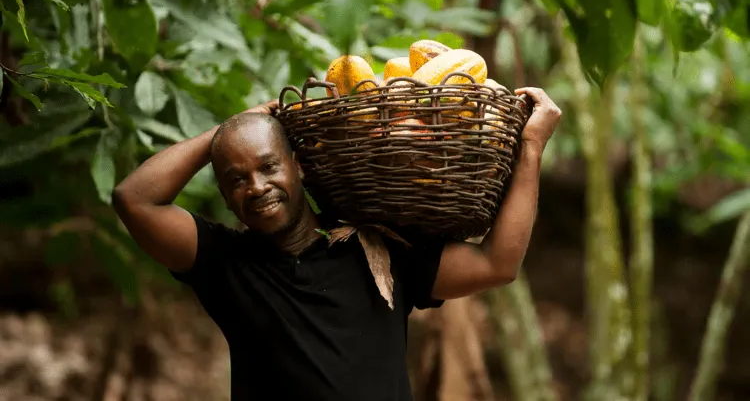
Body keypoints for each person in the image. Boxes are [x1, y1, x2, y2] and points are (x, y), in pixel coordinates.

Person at [112, 87, 562, 400]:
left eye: (268, 167)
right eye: (236, 179)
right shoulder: (228, 265)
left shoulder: (378, 253)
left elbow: (496, 264)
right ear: (227, 198)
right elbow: (134, 199)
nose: (256, 186)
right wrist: (233, 130)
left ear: (298, 166)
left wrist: (531, 147)